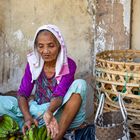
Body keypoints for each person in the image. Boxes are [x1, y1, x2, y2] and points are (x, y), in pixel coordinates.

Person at [16, 24, 87, 140]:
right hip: (37, 113)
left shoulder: (68, 65)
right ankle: (31, 124)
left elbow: (59, 95)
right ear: (36, 47)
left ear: (59, 46)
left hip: (59, 112)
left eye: (51, 46)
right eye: (41, 46)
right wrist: (28, 117)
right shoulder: (33, 64)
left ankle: (57, 136)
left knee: (80, 84)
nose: (45, 51)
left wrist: (49, 112)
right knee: (3, 102)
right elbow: (23, 93)